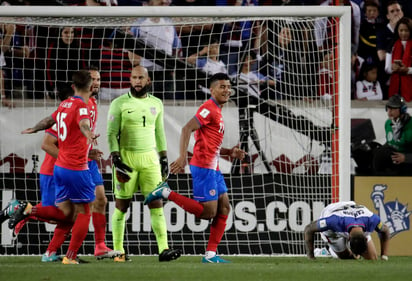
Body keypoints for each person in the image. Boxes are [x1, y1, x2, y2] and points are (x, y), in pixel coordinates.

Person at [13, 68, 119, 261]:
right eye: (93, 80)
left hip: (62, 167)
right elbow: (84, 124)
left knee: (66, 214)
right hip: (76, 167)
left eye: (98, 79)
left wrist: (34, 128)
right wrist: (88, 134)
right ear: (88, 85)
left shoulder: (66, 104)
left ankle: (48, 247)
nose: (96, 83)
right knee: (84, 212)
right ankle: (70, 256)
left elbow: (49, 120)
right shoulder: (81, 107)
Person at [144, 72, 247, 263]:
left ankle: (210, 255)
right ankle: (166, 192)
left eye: (228, 87)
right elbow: (186, 129)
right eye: (222, 87)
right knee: (208, 212)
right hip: (204, 166)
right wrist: (182, 156)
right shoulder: (209, 108)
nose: (226, 90)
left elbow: (209, 143)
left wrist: (229, 152)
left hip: (213, 166)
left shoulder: (217, 110)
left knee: (224, 207)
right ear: (212, 89)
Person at [107, 65, 181, 262]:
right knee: (122, 206)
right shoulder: (119, 103)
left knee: (156, 205)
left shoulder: (157, 103)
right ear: (130, 80)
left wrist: (164, 157)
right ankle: (118, 252)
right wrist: (115, 157)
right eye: (134, 77)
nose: (137, 81)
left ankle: (163, 249)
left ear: (148, 81)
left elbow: (159, 132)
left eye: (141, 78)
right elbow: (111, 133)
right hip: (126, 160)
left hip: (150, 161)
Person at [304, 201, 390, 260]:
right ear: (348, 239)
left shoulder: (372, 220)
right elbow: (309, 229)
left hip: (353, 213)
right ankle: (327, 250)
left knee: (372, 259)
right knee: (346, 257)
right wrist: (311, 256)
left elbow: (385, 231)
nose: (358, 255)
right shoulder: (333, 221)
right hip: (333, 228)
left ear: (366, 237)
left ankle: (345, 252)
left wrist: (384, 255)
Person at [372, 95, 412, 175]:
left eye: (393, 108)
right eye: (388, 108)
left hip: (407, 163)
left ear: (402, 110)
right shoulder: (388, 123)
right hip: (393, 161)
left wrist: (406, 158)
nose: (389, 112)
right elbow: (390, 142)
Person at [385, 17, 412, 101]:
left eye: (406, 30)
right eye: (401, 30)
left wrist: (408, 70)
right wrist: (393, 68)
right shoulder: (392, 44)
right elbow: (387, 69)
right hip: (395, 86)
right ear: (397, 31)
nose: (403, 33)